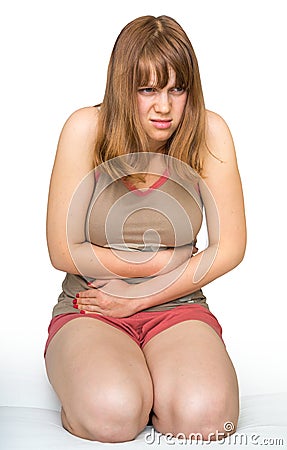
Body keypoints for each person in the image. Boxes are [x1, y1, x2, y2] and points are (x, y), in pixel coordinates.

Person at [45, 15, 246, 443]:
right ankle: (104, 381)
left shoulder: (210, 132)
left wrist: (146, 296)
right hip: (95, 303)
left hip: (176, 302)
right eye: (147, 89)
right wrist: (161, 261)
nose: (164, 106)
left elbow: (229, 247)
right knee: (113, 415)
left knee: (208, 421)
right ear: (123, 87)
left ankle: (154, 377)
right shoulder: (85, 128)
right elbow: (63, 250)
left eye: (177, 88)